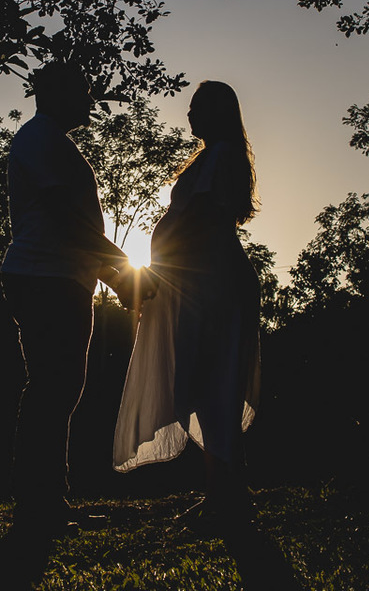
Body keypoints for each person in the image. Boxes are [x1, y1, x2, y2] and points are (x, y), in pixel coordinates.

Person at [0, 62, 142, 536]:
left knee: (62, 388)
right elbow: (63, 219)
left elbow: (74, 232)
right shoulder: (38, 138)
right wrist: (121, 266)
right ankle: (37, 508)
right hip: (43, 277)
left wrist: (112, 275)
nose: (89, 98)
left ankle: (48, 503)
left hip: (61, 277)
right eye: (81, 90)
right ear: (55, 93)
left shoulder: (53, 142)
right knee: (52, 386)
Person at [112, 80, 262, 524]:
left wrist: (159, 267)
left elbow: (199, 216)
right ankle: (223, 491)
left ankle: (226, 496)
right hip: (201, 280)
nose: (189, 115)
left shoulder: (219, 157)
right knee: (205, 382)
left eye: (196, 107)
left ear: (216, 111)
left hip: (212, 281)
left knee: (214, 381)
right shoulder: (212, 156)